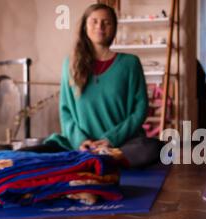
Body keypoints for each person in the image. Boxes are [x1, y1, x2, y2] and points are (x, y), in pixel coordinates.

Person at [21, 3, 163, 168]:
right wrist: (81, 141)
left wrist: (111, 140)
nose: (100, 26)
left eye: (106, 22)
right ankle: (93, 158)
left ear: (114, 28)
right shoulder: (70, 64)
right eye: (94, 21)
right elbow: (65, 112)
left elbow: (140, 110)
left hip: (121, 144)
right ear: (85, 26)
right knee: (28, 153)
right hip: (79, 146)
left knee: (155, 148)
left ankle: (95, 159)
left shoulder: (130, 64)